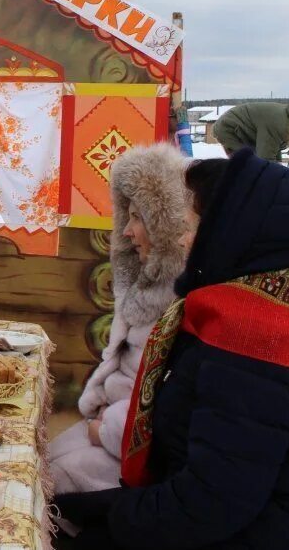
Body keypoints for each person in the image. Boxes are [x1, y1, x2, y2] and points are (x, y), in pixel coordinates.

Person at [54, 148, 289, 549]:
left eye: (194, 225)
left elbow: (207, 504)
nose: (184, 239)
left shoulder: (253, 343)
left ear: (233, 235)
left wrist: (102, 513)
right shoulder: (287, 305)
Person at [48, 144, 191, 495]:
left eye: (138, 217)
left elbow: (165, 399)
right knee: (40, 462)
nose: (126, 231)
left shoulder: (181, 302)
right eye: (125, 217)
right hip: (112, 421)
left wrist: (109, 429)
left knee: (53, 480)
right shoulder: (144, 283)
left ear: (166, 224)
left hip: (139, 447)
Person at [214, 100, 289, 160]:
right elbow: (265, 159)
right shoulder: (281, 126)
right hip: (231, 129)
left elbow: (274, 151)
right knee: (246, 167)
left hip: (249, 133)